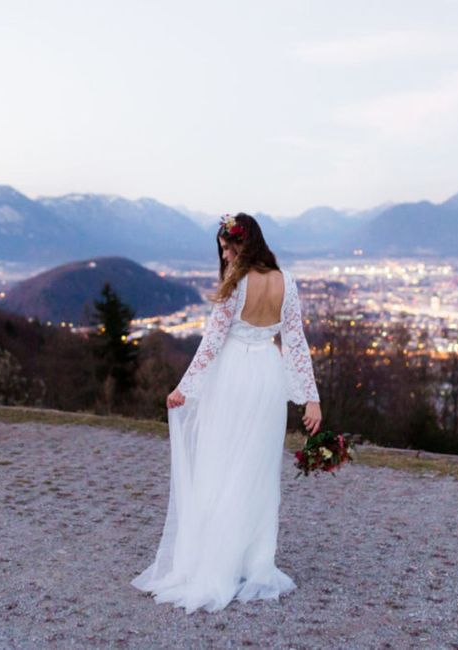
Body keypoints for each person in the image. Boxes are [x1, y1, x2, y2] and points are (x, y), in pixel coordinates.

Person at [130, 212, 322, 614]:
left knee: (221, 463)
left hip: (233, 375)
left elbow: (213, 342)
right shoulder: (287, 281)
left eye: (227, 247)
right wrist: (311, 398)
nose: (225, 254)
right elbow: (296, 342)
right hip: (267, 378)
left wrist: (184, 388)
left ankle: (217, 561)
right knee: (257, 468)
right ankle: (254, 562)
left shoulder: (237, 285)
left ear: (241, 243)